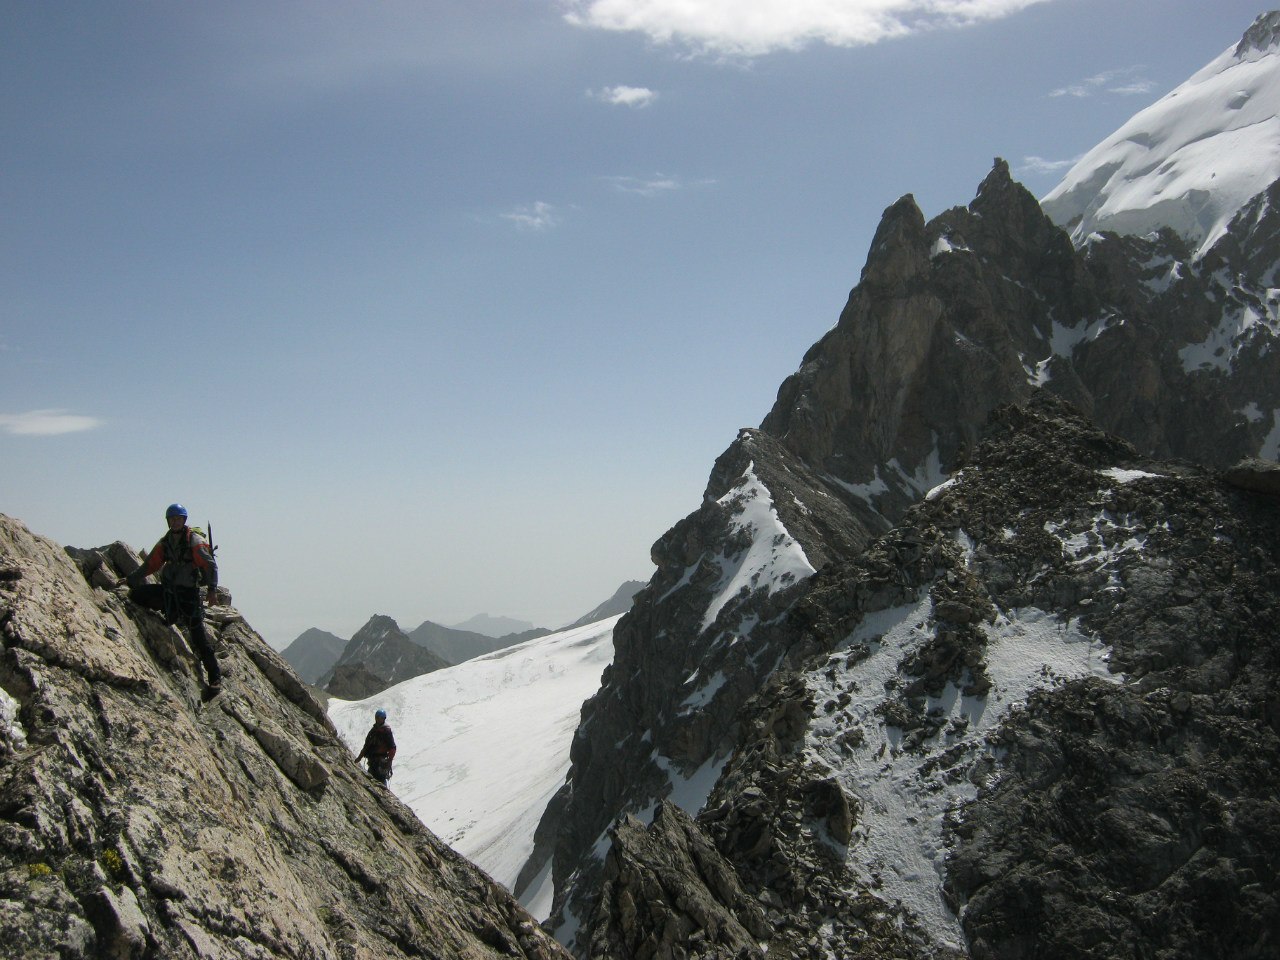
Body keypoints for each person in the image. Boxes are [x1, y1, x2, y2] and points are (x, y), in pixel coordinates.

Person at [128, 503, 222, 701]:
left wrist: (212, 591)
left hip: (189, 595)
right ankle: (170, 616)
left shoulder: (194, 541)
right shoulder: (166, 542)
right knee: (136, 595)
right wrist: (130, 579)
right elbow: (151, 564)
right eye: (172, 519)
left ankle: (215, 680)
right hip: (170, 592)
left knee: (199, 639)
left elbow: (210, 565)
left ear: (183, 520)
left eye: (178, 519)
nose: (175, 522)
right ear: (168, 521)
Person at [356, 709, 396, 784]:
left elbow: (392, 748)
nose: (377, 719)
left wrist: (389, 761)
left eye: (379, 717)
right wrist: (359, 757)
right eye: (377, 717)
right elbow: (366, 745)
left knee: (380, 780)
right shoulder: (374, 730)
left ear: (384, 718)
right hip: (373, 760)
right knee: (372, 779)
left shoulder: (386, 731)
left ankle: (383, 794)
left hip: (381, 760)